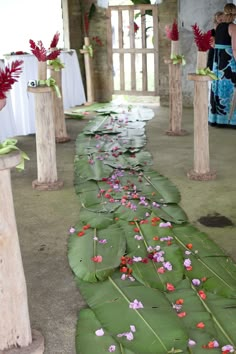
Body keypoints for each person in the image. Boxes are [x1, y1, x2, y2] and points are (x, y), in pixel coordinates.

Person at [208, 3, 236, 127]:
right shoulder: (233, 27)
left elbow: (215, 44)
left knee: (217, 87)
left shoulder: (218, 27)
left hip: (217, 61)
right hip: (228, 61)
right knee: (230, 88)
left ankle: (217, 119)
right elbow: (235, 48)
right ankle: (230, 120)